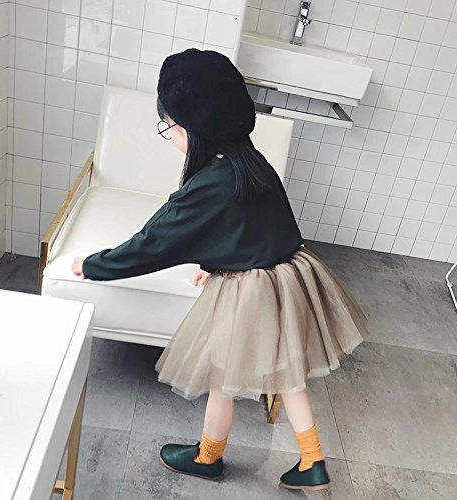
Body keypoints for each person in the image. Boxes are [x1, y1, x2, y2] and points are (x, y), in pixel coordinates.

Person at [72, 49, 367, 492]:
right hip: (291, 277)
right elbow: (261, 229)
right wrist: (217, 268)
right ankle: (313, 460)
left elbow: (152, 244)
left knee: (222, 381)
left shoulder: (211, 183)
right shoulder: (252, 162)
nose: (170, 135)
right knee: (290, 379)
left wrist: (92, 265)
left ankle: (208, 456)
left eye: (169, 126)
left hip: (250, 291)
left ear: (192, 128)